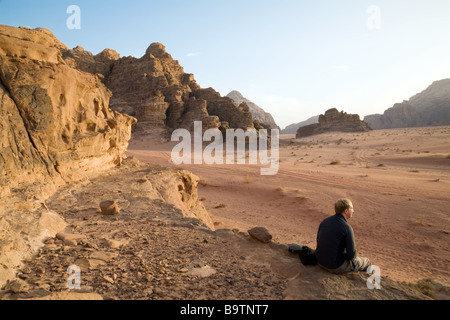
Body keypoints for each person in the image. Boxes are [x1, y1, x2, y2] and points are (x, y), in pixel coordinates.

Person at [315, 198, 371, 274]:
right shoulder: (347, 228)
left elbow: (318, 241)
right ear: (346, 211)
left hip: (320, 261)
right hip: (334, 266)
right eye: (351, 208)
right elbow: (352, 256)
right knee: (366, 261)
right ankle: (367, 281)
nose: (353, 211)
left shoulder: (325, 221)